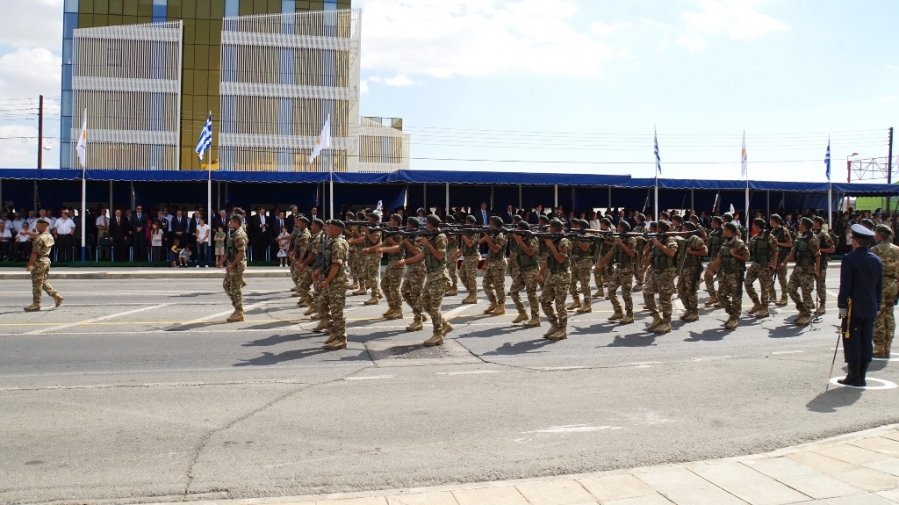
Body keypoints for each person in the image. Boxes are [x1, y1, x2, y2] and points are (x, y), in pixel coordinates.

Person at [837, 224, 881, 387]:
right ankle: (862, 375)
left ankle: (854, 376)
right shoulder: (876, 260)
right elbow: (878, 286)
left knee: (852, 340)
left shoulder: (849, 258)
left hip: (853, 307)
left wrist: (842, 305)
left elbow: (845, 285)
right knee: (866, 340)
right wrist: (877, 304)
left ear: (855, 242)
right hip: (870, 307)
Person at [398, 215, 452, 346]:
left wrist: (427, 243)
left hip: (439, 276)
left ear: (430, 224)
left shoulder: (440, 237)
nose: (425, 225)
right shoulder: (431, 237)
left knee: (434, 307)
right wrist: (405, 261)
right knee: (424, 303)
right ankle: (444, 324)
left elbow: (440, 256)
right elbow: (422, 255)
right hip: (431, 276)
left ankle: (438, 334)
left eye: (427, 223)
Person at [709, 222, 750, 330]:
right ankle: (732, 314)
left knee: (736, 297)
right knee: (721, 296)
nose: (723, 231)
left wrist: (734, 254)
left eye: (725, 230)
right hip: (724, 274)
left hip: (735, 274)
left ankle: (735, 318)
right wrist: (711, 270)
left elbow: (747, 257)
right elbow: (719, 258)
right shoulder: (725, 243)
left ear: (729, 231)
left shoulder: (738, 243)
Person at [595, 220, 637, 324]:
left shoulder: (631, 239)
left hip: (627, 270)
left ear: (622, 228)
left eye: (619, 226)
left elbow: (632, 254)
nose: (617, 227)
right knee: (610, 290)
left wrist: (621, 244)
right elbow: (611, 252)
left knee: (626, 294)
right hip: (618, 269)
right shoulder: (619, 239)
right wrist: (600, 264)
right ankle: (618, 311)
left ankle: (629, 315)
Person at [319, 220, 351, 350]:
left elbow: (336, 264)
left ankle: (341, 339)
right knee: (321, 303)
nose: (327, 229)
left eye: (330, 228)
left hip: (337, 281)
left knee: (337, 310)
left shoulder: (338, 243)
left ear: (337, 230)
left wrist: (327, 281)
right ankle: (334, 331)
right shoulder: (332, 241)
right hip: (332, 280)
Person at [537, 219, 571, 340]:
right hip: (552, 274)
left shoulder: (563, 241)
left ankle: (562, 330)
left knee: (560, 304)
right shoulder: (554, 240)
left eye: (550, 228)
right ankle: (555, 325)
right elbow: (550, 259)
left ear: (555, 229)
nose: (549, 230)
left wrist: (550, 245)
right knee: (544, 300)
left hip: (562, 275)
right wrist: (540, 273)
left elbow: (561, 259)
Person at [643, 220, 679, 334]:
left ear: (661, 229)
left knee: (665, 298)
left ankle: (667, 323)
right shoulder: (658, 239)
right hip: (656, 271)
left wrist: (659, 244)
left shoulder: (670, 239)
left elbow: (672, 253)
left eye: (658, 228)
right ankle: (656, 317)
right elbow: (652, 255)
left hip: (666, 273)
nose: (655, 230)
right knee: (647, 292)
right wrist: (643, 269)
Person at [367, 213, 405, 319]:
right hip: (391, 262)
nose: (389, 221)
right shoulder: (391, 232)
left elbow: (399, 247)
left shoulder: (399, 233)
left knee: (394, 288)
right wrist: (370, 249)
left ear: (396, 222)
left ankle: (399, 309)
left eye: (391, 220)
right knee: (384, 285)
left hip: (398, 262)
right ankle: (392, 306)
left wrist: (389, 241)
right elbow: (383, 243)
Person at [784, 218, 820, 326]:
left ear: (804, 226)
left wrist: (817, 270)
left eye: (801, 224)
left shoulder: (813, 239)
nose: (799, 225)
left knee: (806, 293)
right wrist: (784, 262)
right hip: (798, 268)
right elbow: (793, 252)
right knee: (790, 289)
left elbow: (817, 256)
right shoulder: (799, 237)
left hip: (808, 269)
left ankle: (807, 315)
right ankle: (802, 309)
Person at [871, 224, 899, 358]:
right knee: (889, 314)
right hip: (893, 283)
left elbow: (871, 270)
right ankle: (888, 345)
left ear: (880, 235)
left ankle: (879, 347)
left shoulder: (875, 249)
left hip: (880, 284)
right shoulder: (897, 250)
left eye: (876, 233)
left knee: (878, 316)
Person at [24, 218, 63, 311]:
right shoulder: (49, 236)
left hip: (39, 262)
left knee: (37, 284)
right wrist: (27, 233)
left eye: (38, 225)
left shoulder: (39, 239)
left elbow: (34, 253)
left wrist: (30, 264)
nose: (36, 227)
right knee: (43, 281)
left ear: (43, 226)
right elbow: (38, 235)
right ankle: (56, 296)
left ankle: (36, 304)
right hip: (46, 260)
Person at [509, 221, 541, 327]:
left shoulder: (532, 239)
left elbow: (530, 253)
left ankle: (535, 318)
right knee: (513, 291)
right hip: (522, 270)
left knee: (531, 294)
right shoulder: (522, 239)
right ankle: (522, 313)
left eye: (519, 229)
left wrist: (520, 242)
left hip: (532, 270)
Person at [745, 218, 776, 319]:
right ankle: (756, 303)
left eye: (753, 225)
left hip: (765, 265)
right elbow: (747, 249)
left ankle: (765, 309)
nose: (752, 226)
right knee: (747, 282)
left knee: (764, 288)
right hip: (756, 264)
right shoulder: (754, 237)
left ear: (757, 226)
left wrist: (774, 264)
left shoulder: (769, 237)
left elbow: (776, 250)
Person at [676, 221, 708, 322]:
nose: (682, 230)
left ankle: (694, 312)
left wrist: (691, 252)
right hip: (684, 268)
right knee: (680, 289)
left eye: (684, 228)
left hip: (692, 268)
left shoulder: (695, 239)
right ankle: (688, 309)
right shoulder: (684, 239)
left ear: (688, 229)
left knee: (691, 290)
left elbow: (705, 252)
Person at [224, 208, 248, 322]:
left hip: (237, 265)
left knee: (235, 289)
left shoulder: (239, 234)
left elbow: (241, 252)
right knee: (226, 285)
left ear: (237, 223)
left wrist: (233, 265)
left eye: (232, 222)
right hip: (233, 264)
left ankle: (239, 312)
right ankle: (238, 308)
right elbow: (230, 250)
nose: (230, 223)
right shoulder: (234, 233)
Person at [481, 215, 508, 316]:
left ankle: (501, 306)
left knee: (498, 285)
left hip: (499, 263)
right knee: (486, 284)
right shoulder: (494, 235)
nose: (490, 225)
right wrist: (485, 263)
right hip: (492, 262)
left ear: (495, 224)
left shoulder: (500, 235)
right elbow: (491, 251)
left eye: (491, 223)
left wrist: (488, 240)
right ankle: (493, 303)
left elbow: (497, 249)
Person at [567, 219, 595, 313]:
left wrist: (577, 240)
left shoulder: (588, 236)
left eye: (578, 226)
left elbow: (585, 248)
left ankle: (587, 305)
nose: (576, 228)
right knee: (571, 283)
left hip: (584, 264)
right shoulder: (577, 236)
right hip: (575, 263)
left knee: (584, 285)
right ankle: (576, 301)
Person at [812, 216, 836, 315]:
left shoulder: (824, 236)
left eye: (814, 222)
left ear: (818, 223)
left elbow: (832, 249)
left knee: (820, 284)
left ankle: (822, 305)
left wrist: (819, 250)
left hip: (821, 263)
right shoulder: (813, 234)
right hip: (811, 263)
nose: (812, 223)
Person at [770, 214, 793, 306]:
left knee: (782, 278)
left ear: (775, 221)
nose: (770, 222)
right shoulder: (773, 231)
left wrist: (778, 243)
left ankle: (784, 298)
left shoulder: (783, 231)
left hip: (782, 257)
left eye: (771, 220)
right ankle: (772, 296)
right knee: (767, 277)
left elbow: (790, 244)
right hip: (774, 257)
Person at [459, 215, 481, 304]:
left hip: (473, 256)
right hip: (467, 257)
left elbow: (470, 244)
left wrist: (463, 235)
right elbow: (464, 246)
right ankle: (471, 292)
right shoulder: (467, 232)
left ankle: (473, 295)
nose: (466, 224)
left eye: (468, 222)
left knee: (471, 277)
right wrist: (457, 253)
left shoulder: (475, 232)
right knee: (462, 274)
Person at [704, 216, 724, 306]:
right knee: (707, 276)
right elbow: (708, 244)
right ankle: (713, 296)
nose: (711, 223)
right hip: (713, 258)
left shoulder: (723, 232)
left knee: (721, 280)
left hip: (721, 259)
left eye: (712, 222)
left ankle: (722, 299)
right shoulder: (712, 233)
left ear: (716, 223)